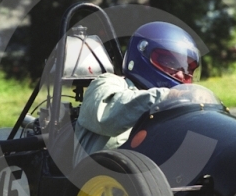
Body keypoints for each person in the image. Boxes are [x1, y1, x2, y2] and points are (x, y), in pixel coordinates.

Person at [73, 21, 201, 164]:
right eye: (172, 63)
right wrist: (166, 96)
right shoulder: (108, 82)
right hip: (99, 181)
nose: (181, 75)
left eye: (188, 69)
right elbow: (107, 117)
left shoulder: (180, 104)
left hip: (155, 181)